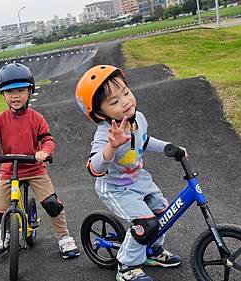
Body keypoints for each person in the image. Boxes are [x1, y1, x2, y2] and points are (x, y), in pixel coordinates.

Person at [75, 65, 186, 281]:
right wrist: (111, 147)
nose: (125, 101)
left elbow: (144, 141)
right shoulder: (105, 134)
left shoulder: (139, 119)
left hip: (138, 180)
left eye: (125, 92)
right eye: (114, 102)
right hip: (116, 189)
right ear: (99, 113)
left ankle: (152, 251)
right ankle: (126, 267)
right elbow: (94, 168)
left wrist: (168, 147)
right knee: (146, 224)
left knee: (164, 213)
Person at [0, 63, 80, 259]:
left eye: (21, 90)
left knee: (52, 204)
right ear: (2, 95)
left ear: (29, 91)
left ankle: (64, 238)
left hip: (34, 168)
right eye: (9, 92)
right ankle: (6, 233)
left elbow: (47, 139)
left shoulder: (36, 118)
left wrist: (44, 151)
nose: (15, 96)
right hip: (10, 170)